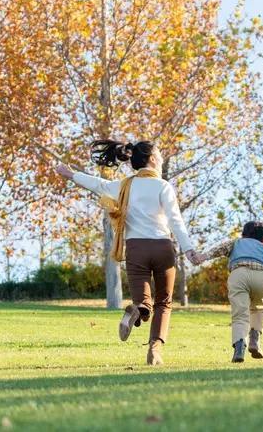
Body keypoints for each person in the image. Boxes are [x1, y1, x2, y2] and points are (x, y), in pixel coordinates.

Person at [55, 139, 197, 366]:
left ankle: (135, 310)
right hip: (162, 247)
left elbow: (98, 184)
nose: (160, 159)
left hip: (135, 249)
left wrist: (70, 174)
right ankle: (154, 351)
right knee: (164, 302)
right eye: (159, 155)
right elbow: (175, 221)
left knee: (144, 302)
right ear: (152, 159)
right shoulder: (163, 186)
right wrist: (189, 249)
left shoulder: (124, 185)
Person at [194, 221, 263, 363]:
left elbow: (219, 249)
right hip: (261, 276)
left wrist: (204, 256)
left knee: (240, 314)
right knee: (259, 308)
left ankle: (239, 347)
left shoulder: (237, 243)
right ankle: (255, 341)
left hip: (238, 275)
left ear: (244, 233)